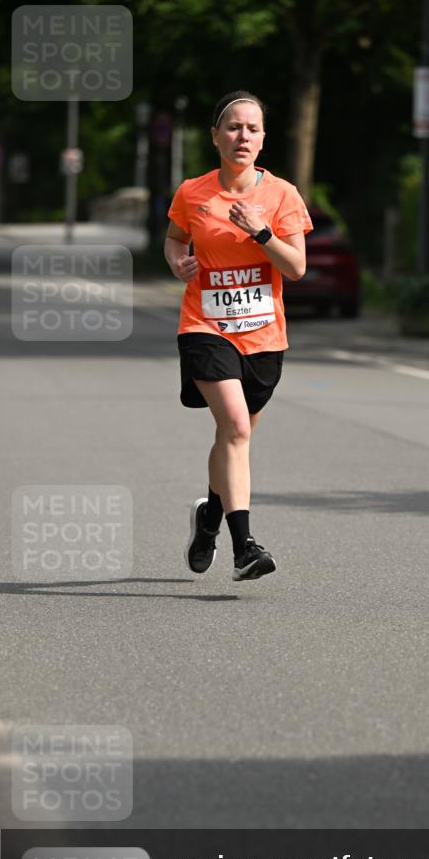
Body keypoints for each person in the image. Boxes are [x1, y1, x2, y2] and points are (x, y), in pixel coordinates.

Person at [164, 91, 312, 581]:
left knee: (233, 436)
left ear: (264, 138)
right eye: (232, 127)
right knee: (237, 427)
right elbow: (174, 239)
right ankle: (244, 546)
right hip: (205, 326)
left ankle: (209, 516)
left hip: (264, 336)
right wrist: (178, 263)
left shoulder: (282, 195)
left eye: (252, 128)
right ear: (215, 136)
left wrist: (262, 232)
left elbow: (295, 268)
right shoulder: (193, 192)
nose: (242, 136)